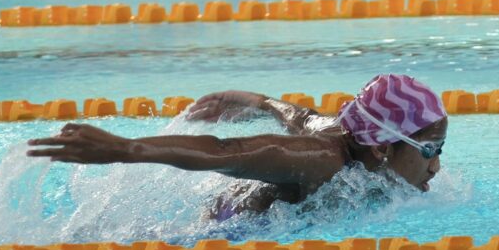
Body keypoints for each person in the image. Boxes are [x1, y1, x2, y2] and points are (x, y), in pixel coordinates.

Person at [26, 74, 448, 220]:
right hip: (225, 230)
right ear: (381, 149)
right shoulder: (321, 159)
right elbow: (225, 152)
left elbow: (300, 116)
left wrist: (256, 101)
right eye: (429, 150)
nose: (436, 167)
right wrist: (124, 148)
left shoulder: (350, 134)